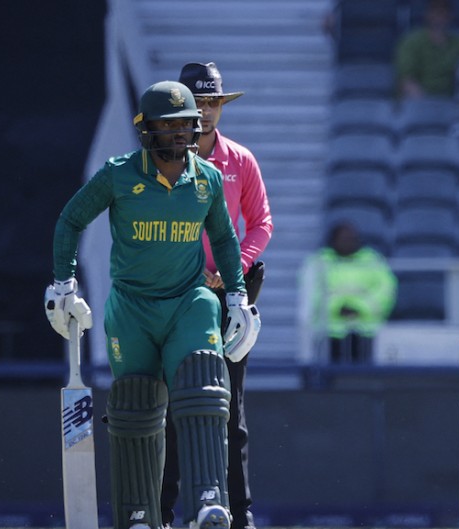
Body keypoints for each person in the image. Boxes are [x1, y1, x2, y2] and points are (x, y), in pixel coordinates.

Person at [44, 81, 261, 529]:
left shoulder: (209, 179)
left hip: (188, 299)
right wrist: (63, 283)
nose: (179, 135)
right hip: (132, 307)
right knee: (136, 408)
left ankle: (208, 503)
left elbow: (222, 236)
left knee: (204, 382)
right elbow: (70, 219)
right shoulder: (119, 173)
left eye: (186, 125)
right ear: (146, 129)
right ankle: (138, 514)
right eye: (168, 125)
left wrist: (237, 295)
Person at [157, 62, 274, 529]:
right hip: (171, 293)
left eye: (212, 103)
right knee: (166, 405)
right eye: (197, 103)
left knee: (229, 404)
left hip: (227, 294)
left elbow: (262, 224)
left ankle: (238, 515)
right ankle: (160, 511)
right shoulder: (161, 161)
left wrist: (231, 270)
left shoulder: (240, 161)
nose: (204, 113)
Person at [299, 221, 397, 364]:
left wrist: (359, 308)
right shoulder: (318, 261)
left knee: (364, 376)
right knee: (330, 377)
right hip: (330, 333)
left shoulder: (372, 260)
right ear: (333, 240)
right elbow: (312, 292)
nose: (348, 242)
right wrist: (338, 307)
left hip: (366, 332)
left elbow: (386, 289)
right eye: (343, 239)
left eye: (352, 238)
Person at [394, 0, 459, 100]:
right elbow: (406, 80)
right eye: (435, 10)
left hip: (452, 104)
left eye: (444, 10)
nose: (439, 15)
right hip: (417, 104)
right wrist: (427, 104)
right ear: (427, 13)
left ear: (451, 15)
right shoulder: (411, 42)